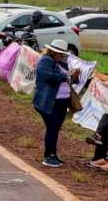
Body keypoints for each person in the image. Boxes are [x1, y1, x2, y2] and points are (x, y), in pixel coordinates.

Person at [32, 39, 78, 168]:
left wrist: (74, 76)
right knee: (52, 128)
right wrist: (66, 76)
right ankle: (49, 156)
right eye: (59, 53)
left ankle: (53, 154)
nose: (62, 55)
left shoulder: (62, 62)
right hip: (48, 101)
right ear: (52, 51)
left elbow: (69, 80)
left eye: (63, 53)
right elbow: (48, 77)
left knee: (55, 128)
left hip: (62, 101)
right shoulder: (45, 61)